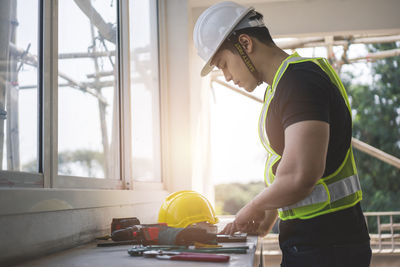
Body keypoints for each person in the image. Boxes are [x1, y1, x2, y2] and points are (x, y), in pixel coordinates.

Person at [193, 2, 371, 266]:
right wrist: (269, 213)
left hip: (327, 247)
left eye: (224, 64)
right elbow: (290, 166)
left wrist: (253, 207)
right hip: (315, 243)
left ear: (245, 43)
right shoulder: (281, 87)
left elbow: (300, 176)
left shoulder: (301, 81)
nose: (227, 76)